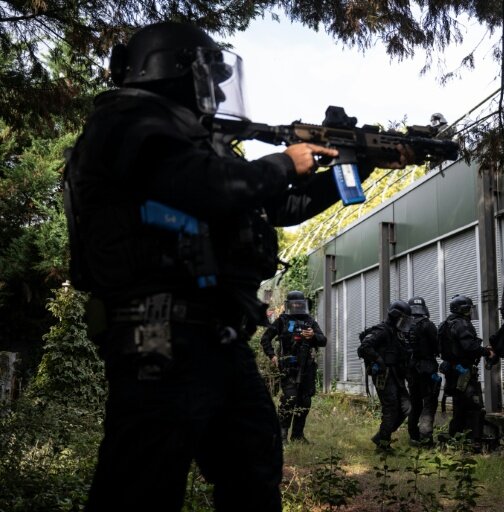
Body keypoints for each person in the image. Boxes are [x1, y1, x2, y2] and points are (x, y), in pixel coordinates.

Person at [64, 21, 413, 512]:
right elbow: (205, 187)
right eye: (206, 74)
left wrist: (357, 164)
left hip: (215, 333)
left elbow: (277, 209)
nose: (216, 88)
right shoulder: (127, 121)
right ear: (174, 70)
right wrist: (282, 164)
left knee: (253, 465)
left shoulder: (196, 144)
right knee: (142, 481)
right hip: (156, 330)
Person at [260, 290, 326, 443]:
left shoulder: (310, 321)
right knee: (289, 398)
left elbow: (323, 340)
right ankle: (282, 435)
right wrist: (273, 356)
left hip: (307, 368)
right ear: (289, 305)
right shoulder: (282, 320)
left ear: (303, 304)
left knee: (305, 400)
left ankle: (298, 435)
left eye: (300, 303)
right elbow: (266, 339)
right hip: (288, 367)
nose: (297, 306)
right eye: (294, 303)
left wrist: (313, 336)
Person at [438, 294, 495, 451]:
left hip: (452, 371)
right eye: (469, 309)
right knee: (475, 405)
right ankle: (475, 441)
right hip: (463, 372)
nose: (471, 312)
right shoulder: (462, 324)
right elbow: (469, 347)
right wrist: (486, 352)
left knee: (460, 405)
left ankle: (455, 437)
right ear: (462, 309)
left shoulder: (446, 324)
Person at [357, 300, 413, 452]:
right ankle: (383, 444)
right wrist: (379, 360)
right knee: (391, 408)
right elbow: (364, 347)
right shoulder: (382, 330)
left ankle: (382, 435)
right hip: (385, 376)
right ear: (396, 316)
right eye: (404, 319)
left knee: (406, 408)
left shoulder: (398, 333)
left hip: (396, 377)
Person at [404, 297, 440, 446]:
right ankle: (425, 437)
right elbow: (438, 347)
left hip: (411, 370)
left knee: (415, 403)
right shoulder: (428, 325)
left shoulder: (404, 326)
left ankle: (413, 436)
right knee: (429, 403)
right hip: (427, 369)